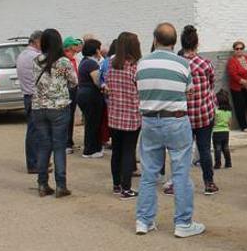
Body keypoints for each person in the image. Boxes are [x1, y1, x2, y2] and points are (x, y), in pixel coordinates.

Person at [134, 22, 205, 238]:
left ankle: (143, 220)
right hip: (176, 120)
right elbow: (189, 91)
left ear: (155, 40)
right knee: (181, 173)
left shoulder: (141, 63)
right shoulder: (183, 64)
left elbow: (139, 88)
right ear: (175, 43)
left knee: (148, 173)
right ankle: (183, 223)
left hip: (149, 121)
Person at [32, 28, 78, 197]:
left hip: (38, 107)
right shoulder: (63, 62)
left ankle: (42, 183)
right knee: (59, 146)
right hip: (58, 106)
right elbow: (74, 81)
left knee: (44, 146)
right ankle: (61, 185)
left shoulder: (36, 60)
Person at [180, 25, 219, 196]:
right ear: (197, 43)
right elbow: (212, 84)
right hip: (204, 113)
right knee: (204, 149)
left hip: (184, 114)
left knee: (183, 150)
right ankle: (209, 182)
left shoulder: (178, 64)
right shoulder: (205, 64)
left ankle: (180, 182)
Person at [106, 31, 142, 199]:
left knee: (117, 151)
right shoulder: (135, 68)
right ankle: (126, 188)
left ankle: (116, 184)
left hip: (114, 115)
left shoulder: (111, 65)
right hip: (132, 115)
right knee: (128, 152)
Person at [16, 30, 43, 174]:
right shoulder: (36, 56)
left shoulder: (22, 54)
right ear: (37, 41)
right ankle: (34, 163)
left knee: (34, 130)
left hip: (27, 94)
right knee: (35, 132)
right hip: (35, 96)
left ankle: (36, 161)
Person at [76, 38, 105, 158]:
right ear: (96, 50)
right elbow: (97, 81)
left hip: (83, 94)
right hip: (90, 95)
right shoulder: (91, 63)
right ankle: (90, 150)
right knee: (93, 122)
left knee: (90, 121)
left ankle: (90, 147)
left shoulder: (84, 61)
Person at [226, 40, 247, 131]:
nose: (239, 50)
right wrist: (245, 83)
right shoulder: (232, 61)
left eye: (241, 48)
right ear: (234, 50)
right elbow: (233, 74)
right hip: (238, 88)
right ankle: (244, 126)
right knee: (240, 107)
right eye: (237, 49)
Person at [63, 36, 83, 153]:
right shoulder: (62, 62)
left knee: (71, 117)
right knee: (66, 117)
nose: (75, 53)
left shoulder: (75, 60)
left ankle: (69, 141)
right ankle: (65, 143)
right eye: (73, 51)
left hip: (74, 90)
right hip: (66, 90)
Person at [213, 91, 232, 169]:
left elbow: (213, 122)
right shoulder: (229, 112)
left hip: (216, 132)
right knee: (226, 147)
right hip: (226, 131)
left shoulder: (216, 112)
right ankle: (228, 163)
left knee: (217, 148)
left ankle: (218, 163)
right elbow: (229, 123)